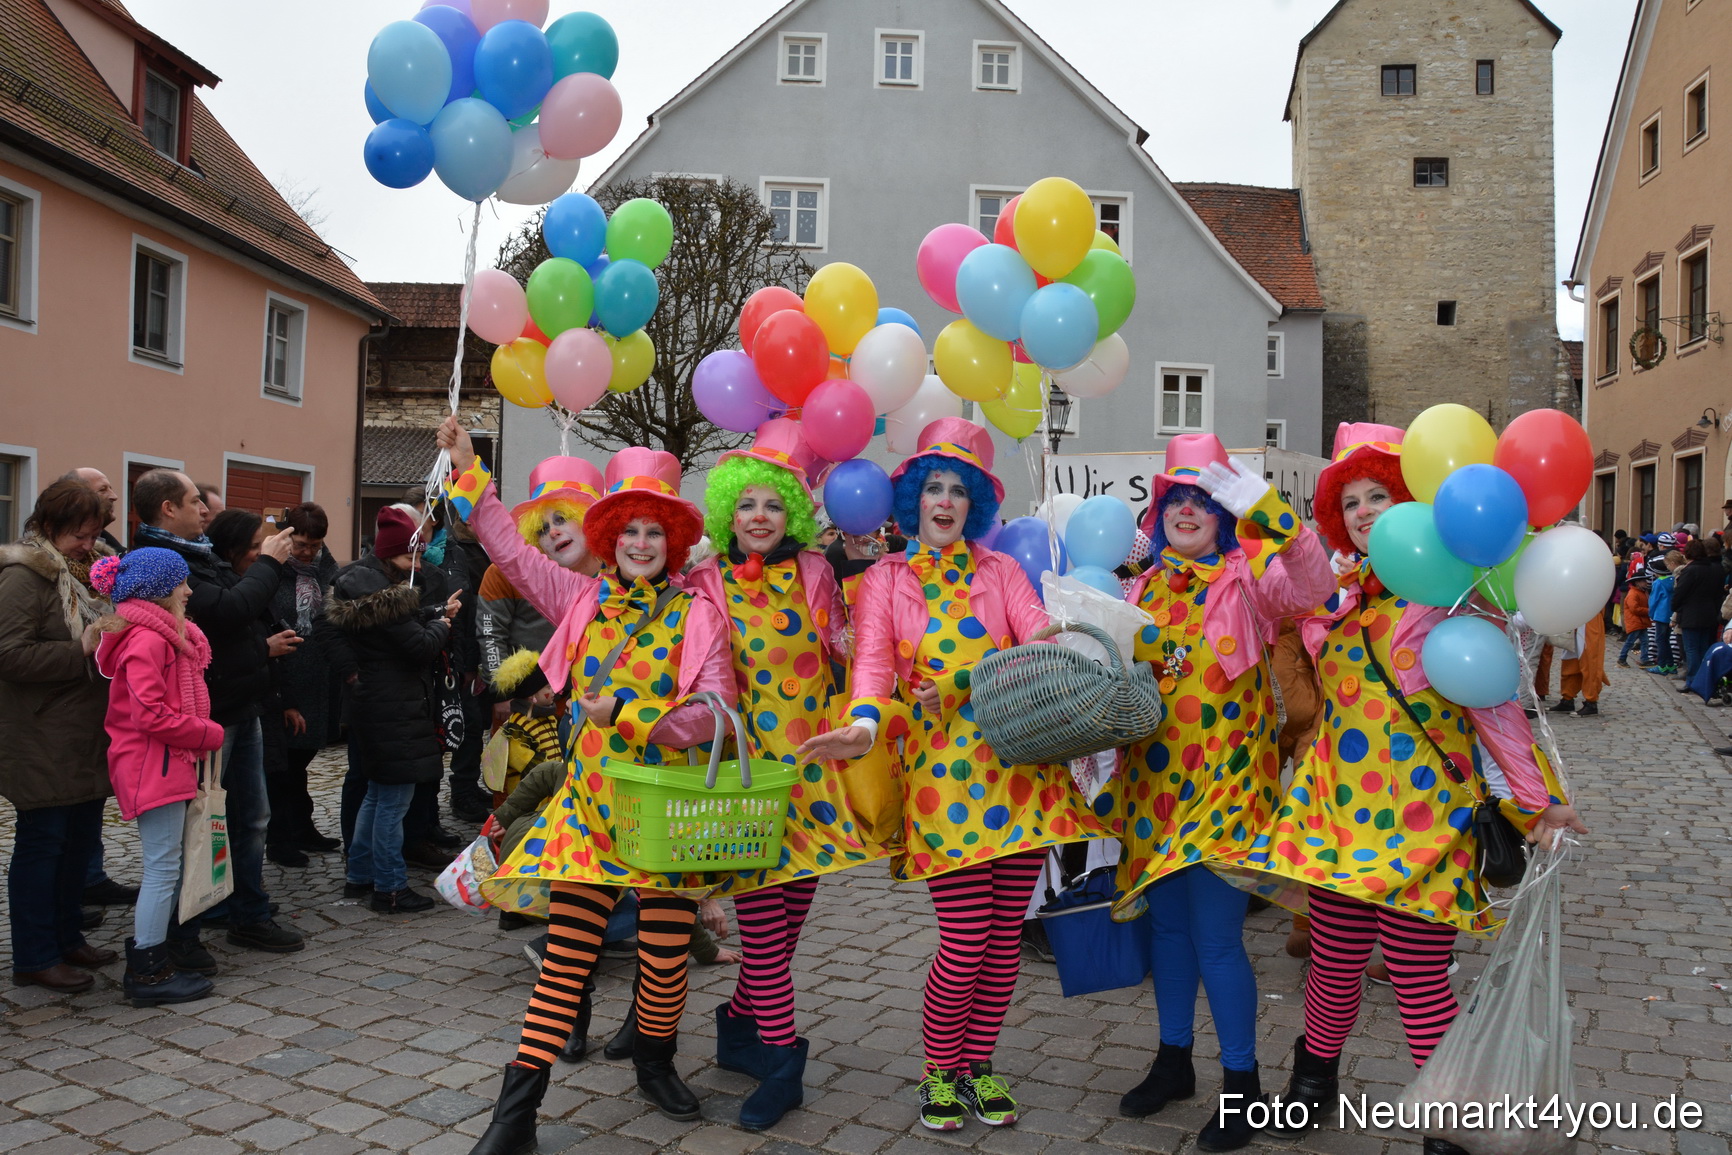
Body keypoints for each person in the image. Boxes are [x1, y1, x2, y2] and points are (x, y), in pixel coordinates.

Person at [1217, 422, 1588, 1155]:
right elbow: (1288, 584)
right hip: (1337, 815)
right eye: (1350, 501)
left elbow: (1492, 706)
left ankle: (1449, 1118)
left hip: (1424, 822)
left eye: (1377, 495)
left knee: (1419, 977)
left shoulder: (1448, 600)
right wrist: (1268, 521)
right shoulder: (1336, 597)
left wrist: (1535, 799)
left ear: (1411, 501)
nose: (1362, 511)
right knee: (1333, 965)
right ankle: (1312, 1085)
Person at [798, 418, 1117, 1133]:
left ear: (974, 504)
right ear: (913, 499)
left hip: (1022, 769)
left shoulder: (1000, 571)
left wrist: (1078, 637)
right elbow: (872, 665)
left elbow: (1038, 642)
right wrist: (863, 725)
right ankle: (939, 1070)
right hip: (943, 780)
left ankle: (978, 1065)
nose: (944, 500)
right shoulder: (885, 578)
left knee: (1003, 940)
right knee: (966, 936)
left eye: (958, 489)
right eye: (933, 487)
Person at [437, 417, 735, 1149]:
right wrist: (470, 470)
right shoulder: (580, 598)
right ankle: (515, 1115)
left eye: (654, 532)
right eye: (629, 530)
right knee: (565, 962)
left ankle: (655, 1062)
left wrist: (629, 715)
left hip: (662, 812)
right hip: (590, 812)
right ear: (610, 538)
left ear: (673, 542)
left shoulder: (699, 615)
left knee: (664, 957)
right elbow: (509, 549)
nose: (641, 543)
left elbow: (712, 715)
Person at [1107, 435, 1335, 1150]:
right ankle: (1174, 1060)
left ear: (1224, 515)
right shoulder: (1140, 588)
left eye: (1202, 501)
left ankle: (1243, 1086)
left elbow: (1313, 586)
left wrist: (1275, 514)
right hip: (1154, 788)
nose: (1186, 511)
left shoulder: (1249, 581)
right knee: (1168, 932)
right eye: (1175, 499)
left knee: (1216, 938)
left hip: (1227, 790)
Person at [684, 419, 894, 1129]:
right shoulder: (705, 580)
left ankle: (738, 1028)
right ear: (728, 512)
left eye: (773, 505)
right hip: (748, 778)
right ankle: (782, 1064)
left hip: (808, 775)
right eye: (746, 504)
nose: (759, 516)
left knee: (789, 921)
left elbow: (843, 646)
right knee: (767, 933)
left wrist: (864, 585)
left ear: (794, 515)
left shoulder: (814, 571)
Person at [132, 468, 304, 958]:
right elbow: (229, 612)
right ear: (168, 509)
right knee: (200, 825)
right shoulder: (161, 562)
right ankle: (183, 933)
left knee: (251, 818)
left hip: (241, 704)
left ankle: (247, 912)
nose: (204, 509)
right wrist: (268, 563)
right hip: (209, 717)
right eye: (194, 501)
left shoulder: (199, 553)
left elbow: (238, 619)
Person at [90, 548, 227, 1006]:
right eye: (180, 583)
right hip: (154, 764)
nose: (188, 591)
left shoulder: (156, 635)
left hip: (161, 762)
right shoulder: (150, 640)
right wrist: (207, 732)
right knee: (163, 868)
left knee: (166, 866)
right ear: (158, 591)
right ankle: (147, 971)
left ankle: (154, 962)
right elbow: (149, 714)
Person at [0, 480, 118, 993]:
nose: (88, 546)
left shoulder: (85, 573)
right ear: (49, 527)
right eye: (79, 536)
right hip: (41, 735)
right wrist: (84, 648)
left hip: (83, 734)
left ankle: (68, 937)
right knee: (43, 845)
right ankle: (34, 955)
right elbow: (9, 656)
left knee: (78, 844)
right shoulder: (24, 576)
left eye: (94, 536)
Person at [321, 506, 460, 914]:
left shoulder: (364, 590)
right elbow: (418, 644)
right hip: (394, 708)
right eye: (409, 556)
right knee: (392, 803)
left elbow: (398, 627)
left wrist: (435, 613)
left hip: (375, 703)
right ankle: (391, 888)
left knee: (377, 796)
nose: (417, 564)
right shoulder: (389, 597)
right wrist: (442, 626)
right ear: (388, 555)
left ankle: (360, 875)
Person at [476, 456, 606, 806]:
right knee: (517, 790)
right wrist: (501, 691)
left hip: (585, 710)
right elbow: (490, 633)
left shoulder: (616, 576)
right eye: (541, 528)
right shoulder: (509, 571)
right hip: (525, 702)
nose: (552, 532)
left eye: (562, 518)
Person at [261, 503, 343, 864]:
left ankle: (301, 826)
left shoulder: (328, 571)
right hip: (285, 678)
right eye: (301, 545)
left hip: (320, 680)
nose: (307, 552)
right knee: (283, 765)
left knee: (300, 760)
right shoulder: (272, 571)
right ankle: (280, 837)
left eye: (314, 545)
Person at [1672, 538, 1722, 683]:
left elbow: (1680, 593)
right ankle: (1703, 679)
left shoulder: (1690, 570)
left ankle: (1693, 680)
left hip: (1691, 615)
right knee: (1703, 648)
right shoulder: (1712, 569)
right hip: (1709, 613)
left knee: (1692, 649)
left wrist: (1675, 607)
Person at [1547, 613, 1606, 717]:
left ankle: (1591, 702)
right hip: (1575, 618)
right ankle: (1567, 699)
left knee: (1590, 661)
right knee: (1569, 660)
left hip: (1589, 618)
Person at [63, 467, 125, 555]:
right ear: (77, 498)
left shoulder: (117, 552)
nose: (114, 496)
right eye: (102, 490)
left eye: (94, 537)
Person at [1644, 556, 1676, 673]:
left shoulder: (1658, 583)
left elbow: (1653, 600)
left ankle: (1662, 665)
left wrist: (1651, 613)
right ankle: (1670, 664)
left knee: (1660, 640)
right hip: (1671, 614)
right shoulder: (1674, 580)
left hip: (1660, 614)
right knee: (1666, 640)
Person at [1618, 573, 1651, 667]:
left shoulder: (1641, 592)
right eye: (1643, 581)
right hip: (1635, 622)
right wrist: (1649, 610)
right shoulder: (1633, 593)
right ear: (1637, 583)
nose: (1646, 582)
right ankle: (1622, 658)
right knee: (1630, 641)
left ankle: (1644, 659)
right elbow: (1635, 609)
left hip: (1641, 622)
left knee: (1645, 641)